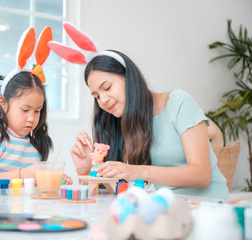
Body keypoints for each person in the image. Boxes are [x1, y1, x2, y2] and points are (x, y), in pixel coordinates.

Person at [69, 52, 229, 199]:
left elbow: (201, 175)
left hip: (209, 209)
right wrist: (86, 169)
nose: (103, 100)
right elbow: (104, 197)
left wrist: (137, 171)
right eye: (96, 96)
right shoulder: (124, 122)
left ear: (129, 78)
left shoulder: (179, 102)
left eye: (107, 88)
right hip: (170, 211)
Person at [0, 26, 72, 184]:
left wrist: (52, 179)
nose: (31, 118)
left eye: (37, 111)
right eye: (25, 110)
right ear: (3, 103)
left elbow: (31, 185)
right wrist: (23, 174)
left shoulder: (34, 146)